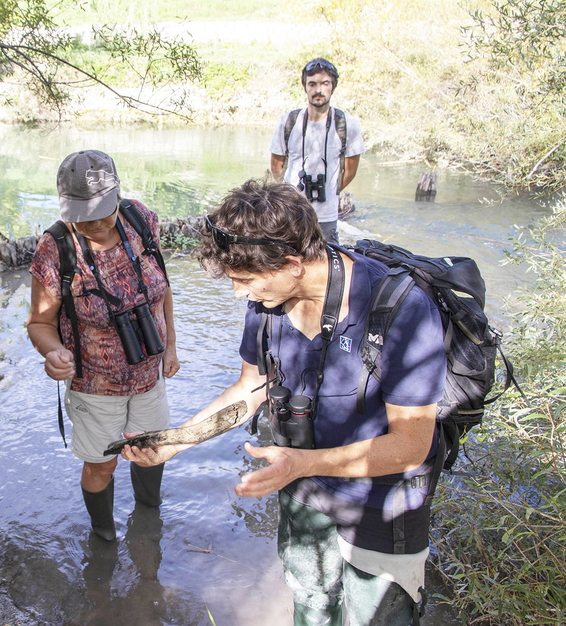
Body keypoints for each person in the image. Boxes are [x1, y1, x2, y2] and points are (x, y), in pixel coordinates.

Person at [122, 180, 446, 626]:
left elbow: (411, 445)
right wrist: (174, 442)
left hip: (382, 503)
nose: (239, 293)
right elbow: (249, 391)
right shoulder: (269, 300)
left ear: (293, 264)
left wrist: (301, 464)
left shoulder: (402, 309)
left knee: (379, 618)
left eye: (244, 281)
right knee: (311, 604)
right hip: (303, 488)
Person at [27, 149, 179, 541]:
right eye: (83, 215)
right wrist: (52, 352)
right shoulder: (55, 247)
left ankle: (149, 517)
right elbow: (40, 322)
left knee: (151, 451)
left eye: (103, 211)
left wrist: (171, 348)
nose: (94, 223)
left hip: (149, 373)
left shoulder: (140, 220)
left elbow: (162, 289)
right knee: (102, 465)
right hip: (95, 386)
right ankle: (103, 533)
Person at [270, 58, 365, 244]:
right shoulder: (288, 122)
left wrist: (331, 191)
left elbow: (351, 170)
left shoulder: (347, 124)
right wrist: (289, 194)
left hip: (327, 216)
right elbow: (276, 166)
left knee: (326, 265)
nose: (318, 90)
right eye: (312, 84)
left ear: (333, 87)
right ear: (305, 87)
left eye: (324, 84)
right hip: (291, 213)